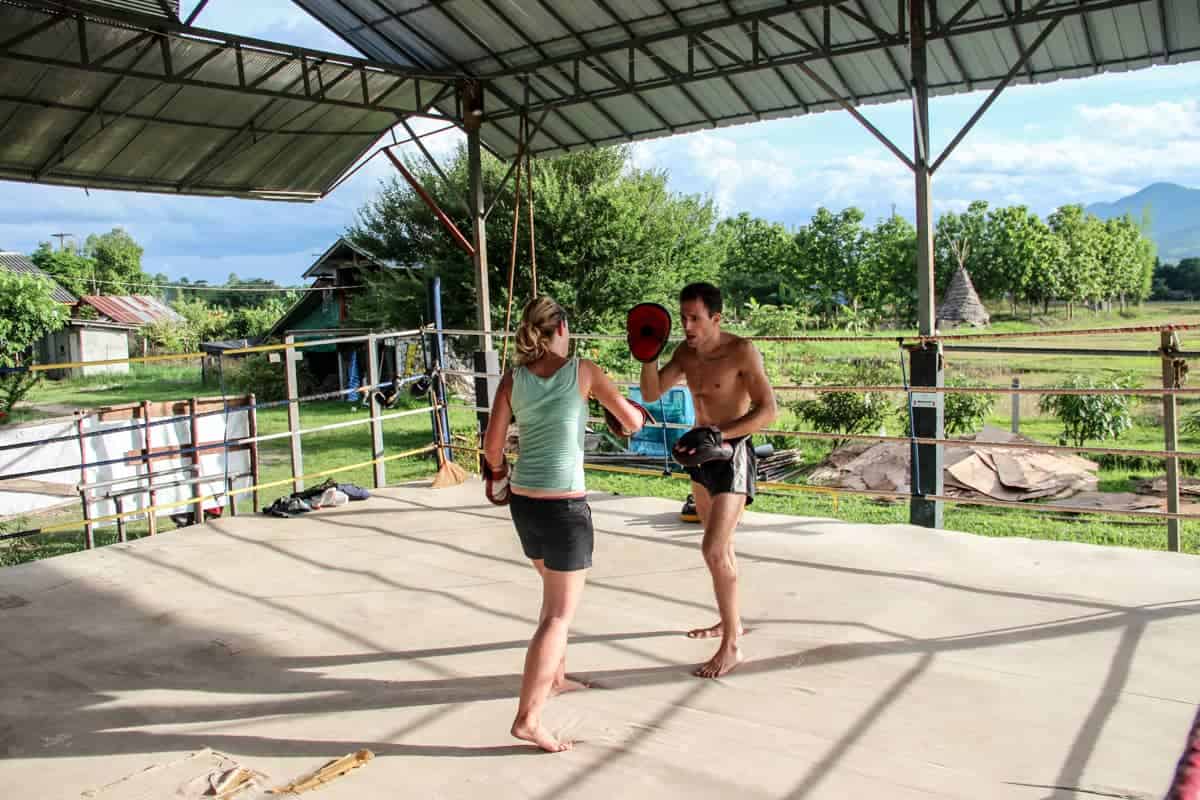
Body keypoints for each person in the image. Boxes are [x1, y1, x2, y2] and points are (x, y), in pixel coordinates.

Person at [482, 296, 649, 752]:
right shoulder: (585, 370)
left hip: (524, 503)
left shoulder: (513, 379)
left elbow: (493, 446)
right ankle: (528, 718)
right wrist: (632, 414)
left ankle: (554, 677)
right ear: (561, 328)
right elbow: (631, 422)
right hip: (565, 508)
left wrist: (497, 477)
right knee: (559, 615)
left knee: (552, 597)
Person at [637, 282, 777, 678]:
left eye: (695, 318)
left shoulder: (741, 351)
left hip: (733, 453)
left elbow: (768, 411)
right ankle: (728, 620)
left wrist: (722, 436)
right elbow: (651, 392)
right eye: (683, 318)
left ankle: (732, 645)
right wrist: (648, 353)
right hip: (702, 453)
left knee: (713, 549)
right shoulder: (685, 352)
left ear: (716, 318)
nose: (687, 325)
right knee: (722, 551)